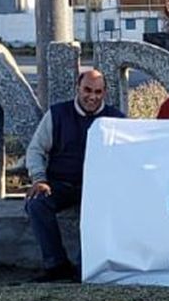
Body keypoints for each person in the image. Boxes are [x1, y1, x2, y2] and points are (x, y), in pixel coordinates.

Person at [25, 69, 124, 282]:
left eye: (98, 91)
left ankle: (83, 267)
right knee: (36, 203)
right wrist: (39, 179)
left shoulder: (117, 119)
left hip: (98, 189)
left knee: (102, 206)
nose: (92, 96)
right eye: (87, 90)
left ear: (105, 92)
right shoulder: (57, 114)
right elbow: (35, 150)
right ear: (77, 88)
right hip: (59, 184)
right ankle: (56, 265)